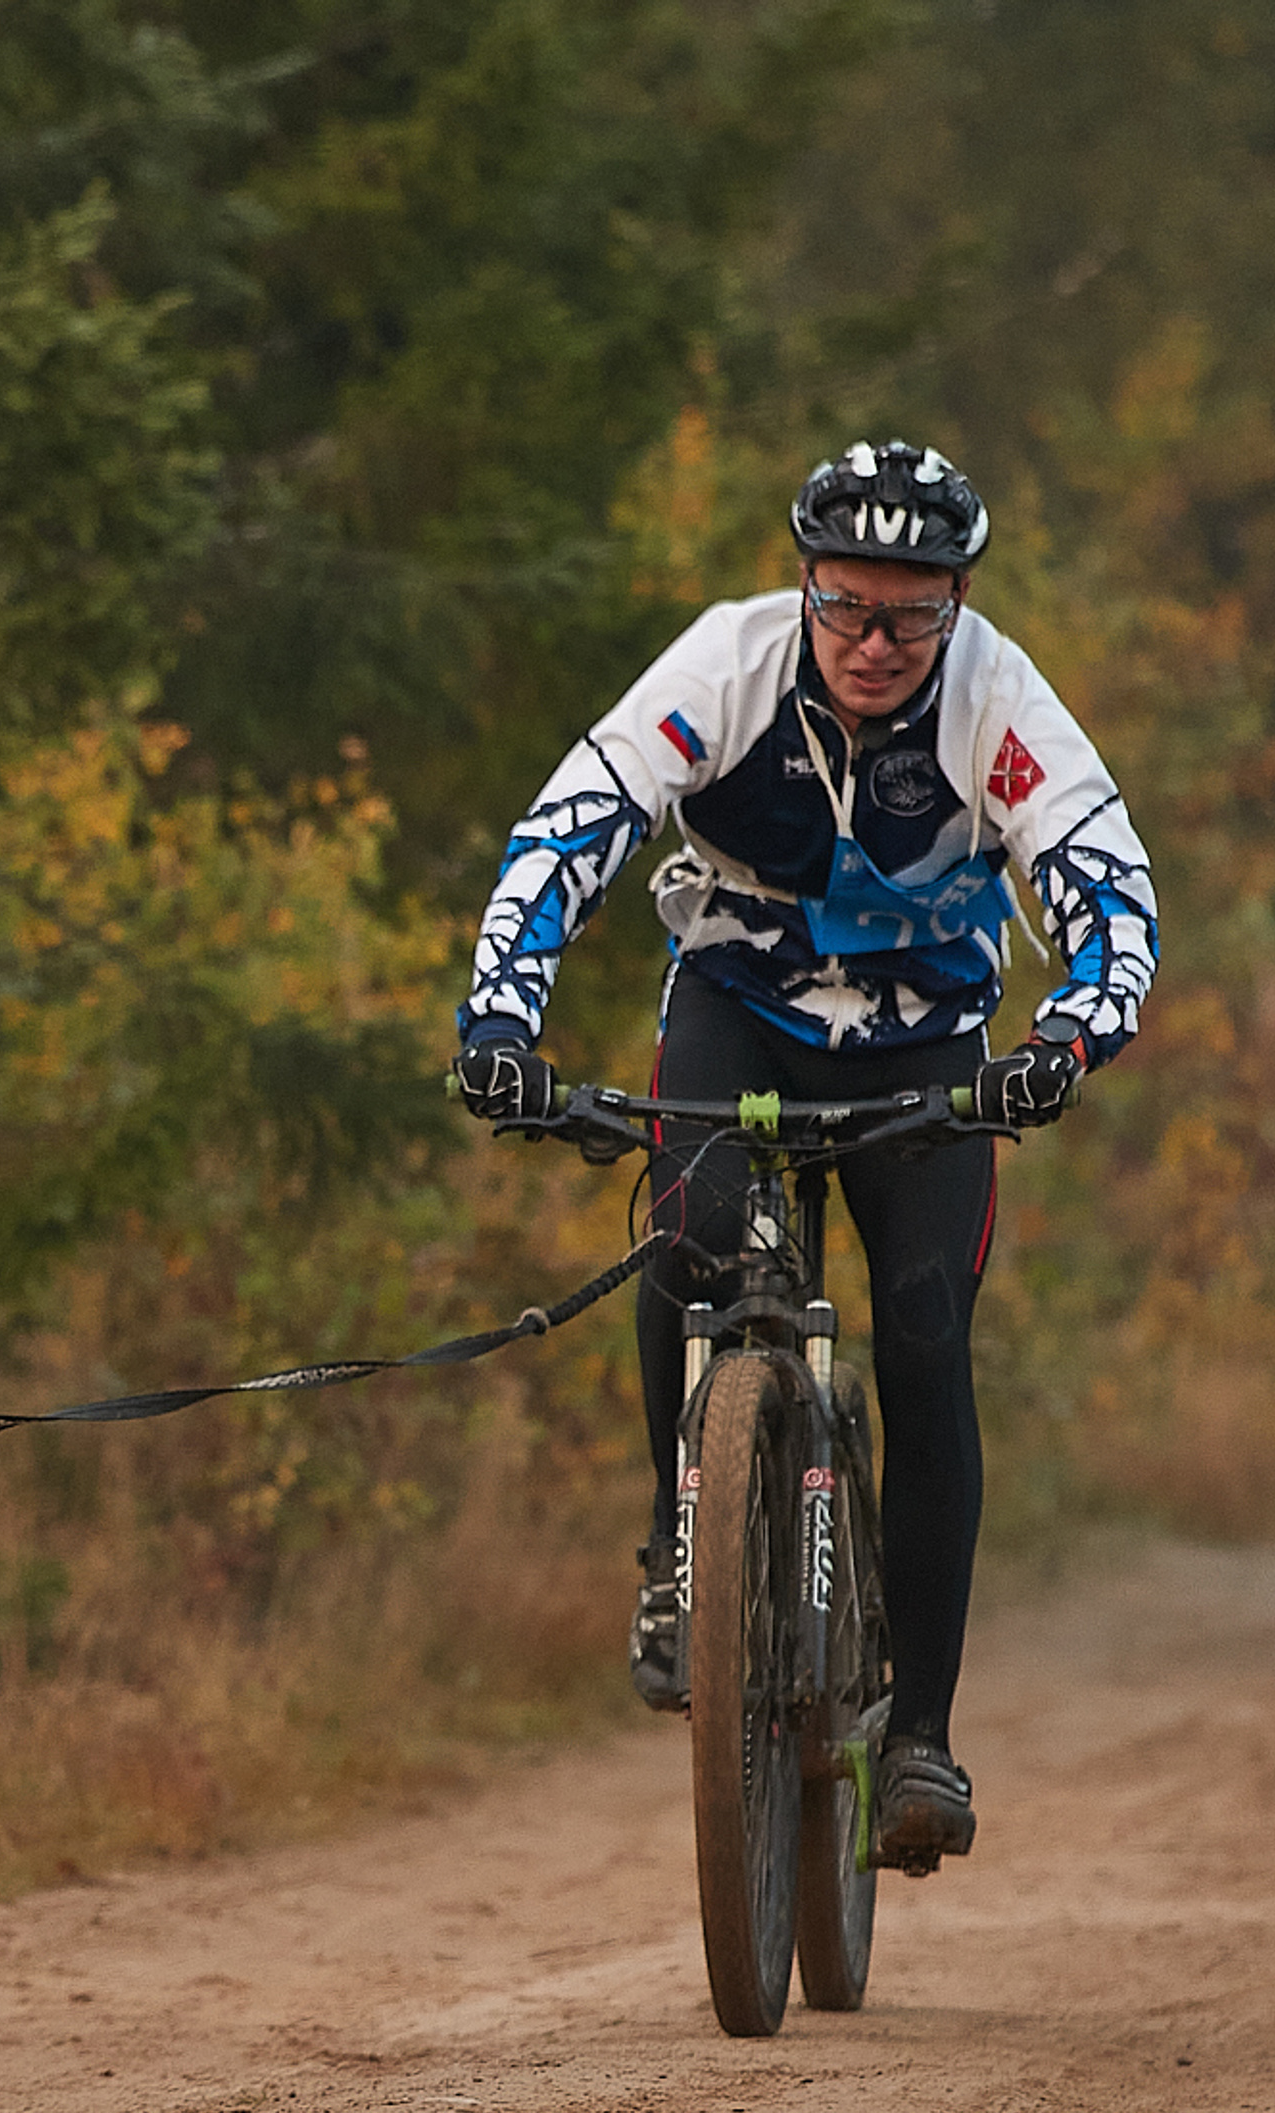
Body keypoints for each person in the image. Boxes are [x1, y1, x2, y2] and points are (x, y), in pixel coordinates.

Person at [448, 439, 1157, 1869]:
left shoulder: (999, 700)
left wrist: (1066, 1041)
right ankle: (679, 1554)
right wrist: (499, 1024)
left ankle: (924, 1742)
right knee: (689, 1228)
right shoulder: (725, 667)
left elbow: (1111, 896)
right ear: (804, 586)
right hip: (740, 1009)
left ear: (957, 604)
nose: (877, 644)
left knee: (919, 1334)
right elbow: (569, 830)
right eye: (847, 607)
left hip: (927, 1047)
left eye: (913, 614)